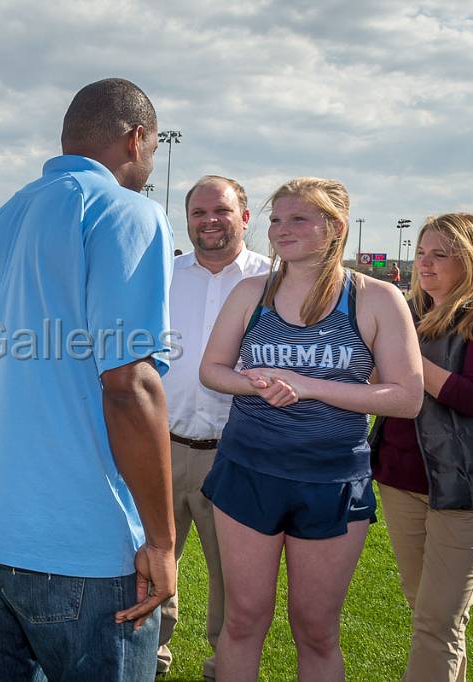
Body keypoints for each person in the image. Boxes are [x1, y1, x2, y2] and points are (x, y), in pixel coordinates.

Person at [0, 78, 176, 682]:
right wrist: (163, 541)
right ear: (137, 138)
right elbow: (129, 384)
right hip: (78, 536)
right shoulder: (127, 211)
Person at [199, 177, 423, 681]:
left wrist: (310, 385)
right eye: (276, 219)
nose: (281, 230)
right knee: (242, 621)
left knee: (317, 630)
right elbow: (211, 370)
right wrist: (255, 385)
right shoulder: (252, 292)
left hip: (332, 481)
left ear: (336, 227)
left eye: (298, 218)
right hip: (249, 471)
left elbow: (406, 397)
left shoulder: (376, 298)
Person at [157, 175, 271, 680]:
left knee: (235, 578)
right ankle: (149, 656)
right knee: (151, 559)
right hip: (160, 445)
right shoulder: (163, 273)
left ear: (244, 217)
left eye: (221, 211)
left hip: (236, 452)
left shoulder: (273, 281)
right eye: (199, 212)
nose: (209, 221)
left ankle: (224, 666)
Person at [371, 213, 473, 682]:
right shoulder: (407, 311)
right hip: (400, 479)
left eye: (440, 255)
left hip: (463, 488)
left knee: (436, 622)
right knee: (427, 611)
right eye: (420, 253)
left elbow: (471, 396)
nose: (425, 265)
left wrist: (407, 364)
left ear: (471, 261)